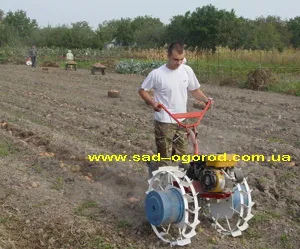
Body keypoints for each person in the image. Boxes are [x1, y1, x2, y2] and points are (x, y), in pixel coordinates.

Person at [138, 41, 213, 177]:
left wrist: (206, 100)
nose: (179, 63)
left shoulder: (186, 70)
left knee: (182, 156)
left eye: (181, 59)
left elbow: (194, 90)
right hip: (164, 120)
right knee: (165, 157)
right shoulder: (157, 74)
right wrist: (153, 103)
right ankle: (159, 180)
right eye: (175, 59)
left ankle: (179, 184)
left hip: (181, 120)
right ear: (168, 56)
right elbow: (142, 91)